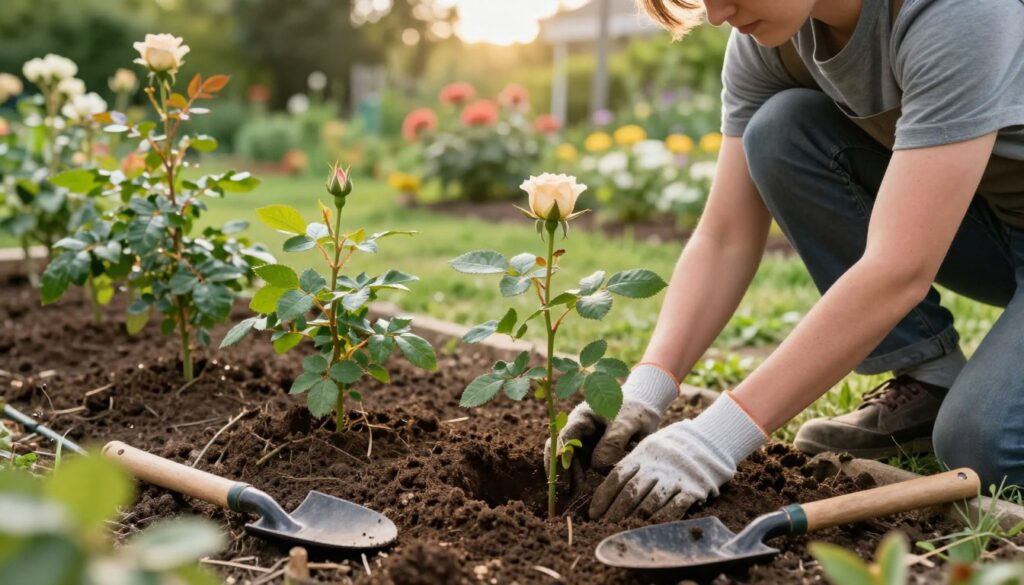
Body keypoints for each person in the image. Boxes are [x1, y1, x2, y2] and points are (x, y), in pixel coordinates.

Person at [553, 0, 1024, 522]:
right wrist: (645, 389)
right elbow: (724, 236)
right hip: (992, 223)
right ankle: (928, 379)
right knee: (780, 129)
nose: (715, 14)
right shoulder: (767, 41)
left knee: (984, 447)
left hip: (969, 229)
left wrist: (717, 438)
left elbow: (898, 270)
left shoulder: (958, 10)